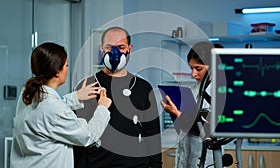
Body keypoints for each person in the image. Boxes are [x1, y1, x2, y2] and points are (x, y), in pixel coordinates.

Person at [10, 42, 112, 168]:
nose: (67, 68)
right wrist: (103, 107)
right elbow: (87, 135)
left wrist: (76, 97)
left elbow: (46, 114)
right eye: (66, 65)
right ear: (57, 72)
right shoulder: (53, 108)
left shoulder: (27, 93)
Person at [73, 26, 162, 168]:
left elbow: (152, 136)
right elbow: (78, 136)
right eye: (109, 47)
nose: (115, 53)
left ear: (130, 49)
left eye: (121, 47)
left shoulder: (143, 87)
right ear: (101, 49)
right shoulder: (86, 86)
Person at [161, 41, 221, 168]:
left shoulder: (220, 93)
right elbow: (185, 125)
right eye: (191, 68)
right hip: (186, 157)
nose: (193, 74)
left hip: (207, 160)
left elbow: (206, 129)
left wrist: (178, 113)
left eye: (198, 68)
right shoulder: (193, 90)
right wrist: (174, 112)